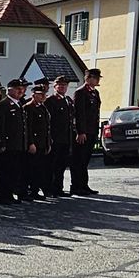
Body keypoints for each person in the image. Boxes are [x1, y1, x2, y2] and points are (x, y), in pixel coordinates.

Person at [0, 79, 30, 204]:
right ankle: (2, 196)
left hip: (18, 144)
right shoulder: (4, 105)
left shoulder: (19, 104)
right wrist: (1, 142)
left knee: (14, 172)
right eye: (17, 88)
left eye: (22, 88)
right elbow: (1, 126)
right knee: (5, 172)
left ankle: (9, 194)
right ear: (9, 89)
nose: (21, 91)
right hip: (8, 145)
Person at [71, 68, 102, 196]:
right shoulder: (81, 92)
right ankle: (76, 186)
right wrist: (80, 131)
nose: (98, 80)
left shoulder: (95, 93)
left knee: (85, 160)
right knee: (79, 160)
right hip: (84, 132)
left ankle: (84, 185)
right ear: (88, 78)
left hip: (92, 131)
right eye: (96, 78)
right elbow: (79, 114)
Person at [44, 76, 76, 197]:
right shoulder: (50, 100)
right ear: (55, 86)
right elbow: (48, 121)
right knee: (52, 165)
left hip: (65, 139)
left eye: (64, 85)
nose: (62, 87)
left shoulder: (67, 100)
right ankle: (50, 189)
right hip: (55, 138)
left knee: (61, 166)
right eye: (60, 85)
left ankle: (59, 188)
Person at [24, 83, 52, 200]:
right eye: (40, 95)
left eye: (44, 94)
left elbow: (47, 127)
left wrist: (48, 142)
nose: (42, 97)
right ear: (34, 95)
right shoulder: (29, 107)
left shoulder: (42, 107)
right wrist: (30, 143)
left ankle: (35, 190)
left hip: (42, 142)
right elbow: (28, 127)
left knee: (40, 168)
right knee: (31, 169)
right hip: (34, 143)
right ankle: (30, 190)